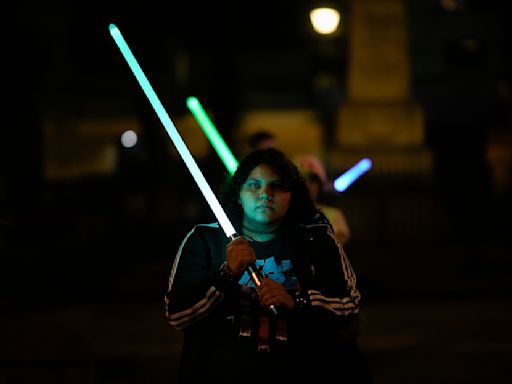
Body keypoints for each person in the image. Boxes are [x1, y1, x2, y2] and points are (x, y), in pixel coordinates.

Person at [164, 148, 366, 384]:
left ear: (292, 194)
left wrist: (296, 302)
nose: (265, 194)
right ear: (239, 192)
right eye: (254, 185)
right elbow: (178, 314)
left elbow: (348, 304)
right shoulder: (205, 240)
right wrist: (226, 274)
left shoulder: (316, 240)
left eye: (277, 185)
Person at [293, 153, 351, 246]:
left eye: (312, 180)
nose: (308, 185)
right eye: (302, 180)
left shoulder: (334, 215)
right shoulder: (283, 216)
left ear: (320, 184)